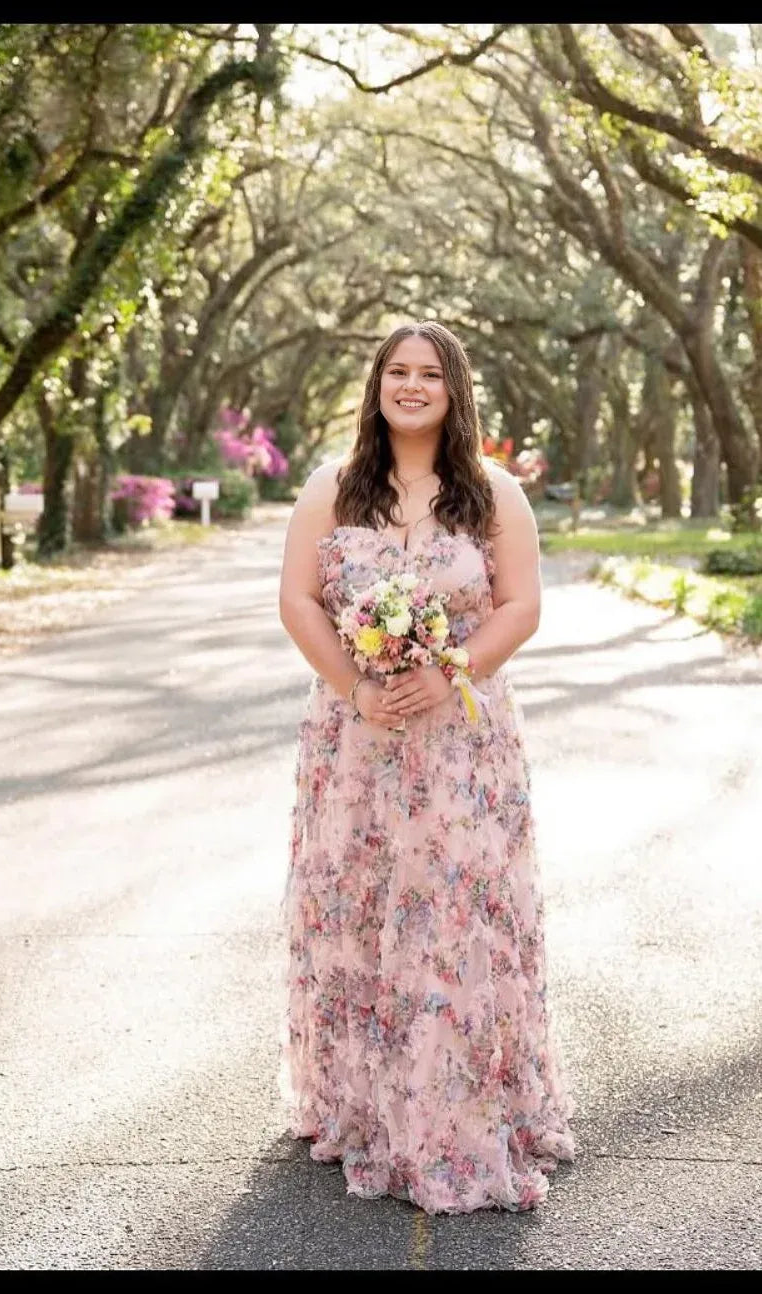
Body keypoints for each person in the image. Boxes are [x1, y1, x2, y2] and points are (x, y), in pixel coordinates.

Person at [277, 320, 574, 1215]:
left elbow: (521, 607)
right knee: (360, 905)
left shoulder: (493, 494)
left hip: (463, 744)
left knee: (459, 913)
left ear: (454, 391)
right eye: (398, 371)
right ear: (377, 385)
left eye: (429, 374)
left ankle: (466, 1106)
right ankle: (364, 1106)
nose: (411, 386)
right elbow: (297, 600)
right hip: (355, 741)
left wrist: (450, 678)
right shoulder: (333, 488)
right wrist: (358, 691)